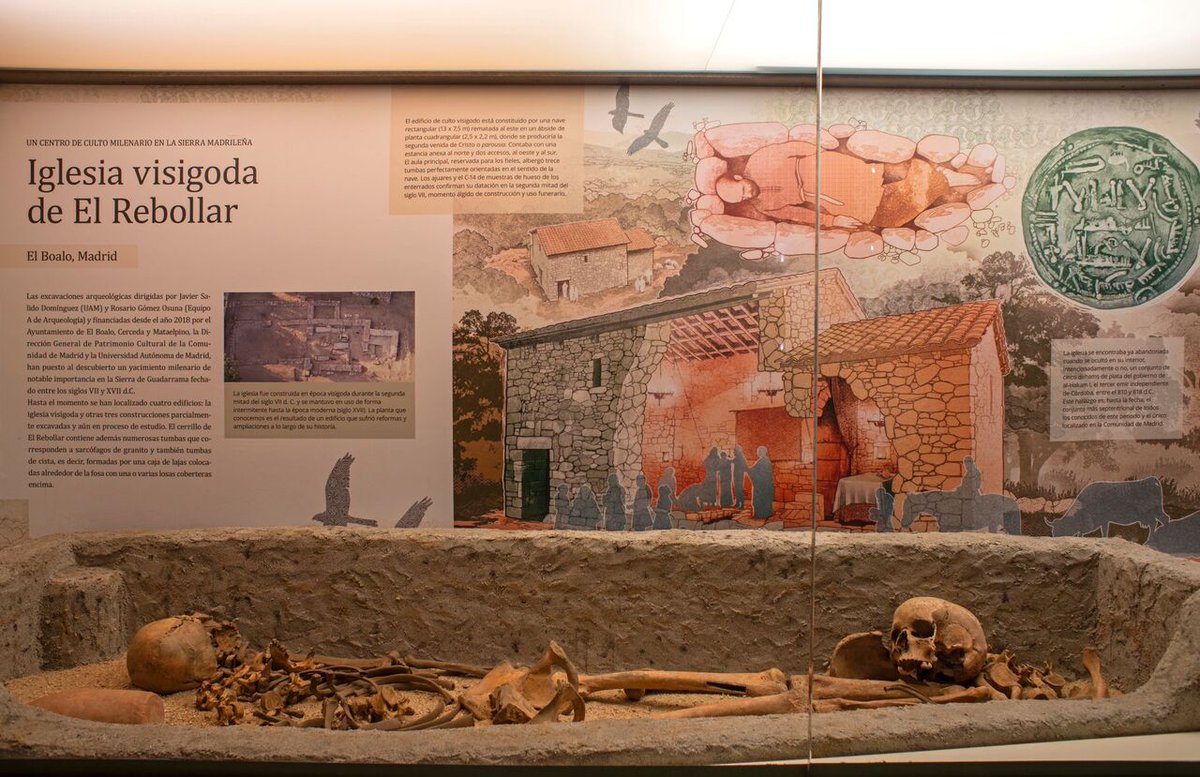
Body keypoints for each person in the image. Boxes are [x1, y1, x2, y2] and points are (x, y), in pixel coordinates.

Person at [747, 446, 775, 520]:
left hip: (760, 485)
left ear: (763, 452)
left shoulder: (762, 461)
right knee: (765, 500)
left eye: (759, 451)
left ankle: (760, 515)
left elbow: (753, 470)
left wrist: (747, 469)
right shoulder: (766, 460)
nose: (758, 453)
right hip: (765, 485)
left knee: (760, 500)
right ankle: (766, 513)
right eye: (758, 451)